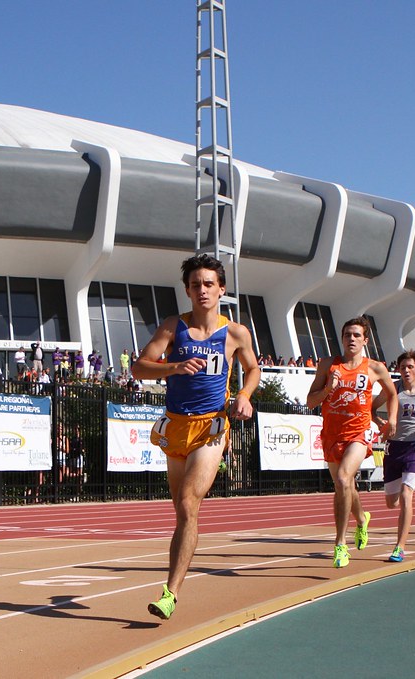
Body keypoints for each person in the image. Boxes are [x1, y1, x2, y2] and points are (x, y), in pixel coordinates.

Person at [132, 253, 260, 621]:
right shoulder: (174, 327)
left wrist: (244, 396)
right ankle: (174, 581)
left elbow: (253, 369)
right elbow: (141, 366)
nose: (202, 290)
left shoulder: (235, 332)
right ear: (187, 290)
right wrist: (174, 367)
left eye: (208, 284)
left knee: (189, 503)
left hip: (212, 427)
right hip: (175, 426)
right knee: (181, 512)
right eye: (195, 285)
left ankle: (170, 593)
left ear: (221, 289)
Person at [307, 316, 397, 568]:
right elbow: (310, 401)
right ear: (342, 338)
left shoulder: (375, 368)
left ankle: (339, 544)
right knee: (344, 487)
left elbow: (392, 393)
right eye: (348, 335)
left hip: (358, 433)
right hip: (332, 435)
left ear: (365, 340)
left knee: (344, 479)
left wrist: (390, 419)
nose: (352, 339)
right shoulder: (327, 365)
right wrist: (327, 389)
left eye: (357, 335)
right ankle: (361, 519)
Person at [371, 350, 415, 563]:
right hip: (393, 448)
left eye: (410, 367)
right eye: (403, 367)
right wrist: (381, 422)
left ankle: (399, 547)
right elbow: (371, 409)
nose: (406, 371)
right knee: (391, 503)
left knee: (406, 494)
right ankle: (399, 536)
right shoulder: (392, 389)